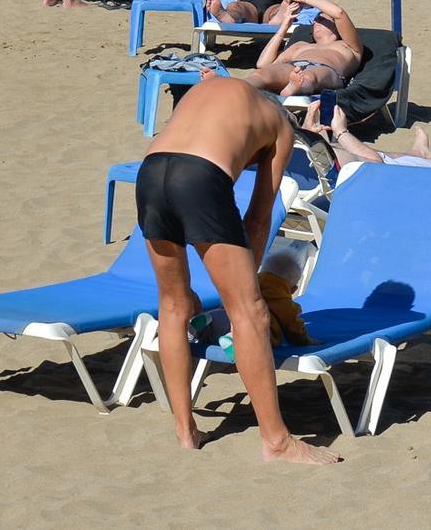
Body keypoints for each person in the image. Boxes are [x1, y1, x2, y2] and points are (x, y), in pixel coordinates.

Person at [136, 73, 339, 463]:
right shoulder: (280, 124)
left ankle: (185, 431)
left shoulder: (210, 89)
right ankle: (277, 442)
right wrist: (249, 280)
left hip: (150, 172)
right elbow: (260, 216)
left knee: (174, 305)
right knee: (250, 312)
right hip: (199, 177)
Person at [304, 103, 431, 172]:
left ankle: (417, 152)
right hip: (374, 183)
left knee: (384, 154)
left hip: (322, 187)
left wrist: (309, 135)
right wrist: (341, 132)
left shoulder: (284, 153)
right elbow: (376, 165)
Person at [232, 0, 364, 96]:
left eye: (324, 19)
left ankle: (293, 89)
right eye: (316, 19)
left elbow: (338, 13)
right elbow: (263, 64)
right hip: (293, 67)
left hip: (328, 70)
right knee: (261, 74)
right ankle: (237, 90)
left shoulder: (349, 45)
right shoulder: (301, 45)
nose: (317, 22)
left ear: (337, 26)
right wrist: (284, 27)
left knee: (309, 77)